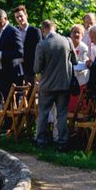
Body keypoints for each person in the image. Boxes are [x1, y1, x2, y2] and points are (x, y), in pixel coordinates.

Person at [33, 20, 76, 151]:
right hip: (64, 84)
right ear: (55, 27)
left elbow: (36, 68)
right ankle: (62, 142)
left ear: (43, 29)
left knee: (43, 113)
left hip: (47, 85)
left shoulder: (42, 44)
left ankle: (42, 141)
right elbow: (74, 61)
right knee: (62, 114)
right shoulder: (67, 41)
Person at [0, 9, 23, 129]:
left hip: (8, 71)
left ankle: (8, 126)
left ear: (5, 19)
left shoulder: (13, 31)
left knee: (8, 99)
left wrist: (0, 54)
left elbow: (19, 52)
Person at [12, 5, 42, 85]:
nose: (19, 19)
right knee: (16, 92)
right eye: (17, 17)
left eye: (21, 16)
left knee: (30, 93)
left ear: (26, 16)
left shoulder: (35, 31)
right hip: (16, 67)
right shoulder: (14, 31)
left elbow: (38, 51)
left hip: (30, 68)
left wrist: (24, 59)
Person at [68, 24, 90, 113]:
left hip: (81, 81)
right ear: (70, 34)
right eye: (74, 32)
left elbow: (84, 64)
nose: (76, 34)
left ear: (82, 35)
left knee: (80, 108)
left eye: (78, 33)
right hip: (70, 80)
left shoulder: (84, 48)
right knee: (70, 108)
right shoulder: (67, 46)